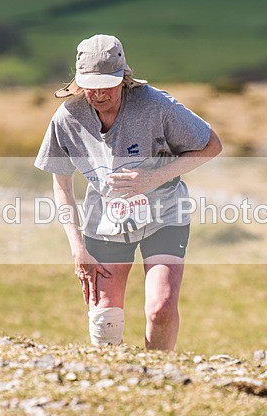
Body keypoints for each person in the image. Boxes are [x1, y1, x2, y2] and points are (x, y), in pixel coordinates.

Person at [34, 34, 222, 350]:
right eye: (90, 84)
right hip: (105, 223)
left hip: (164, 215)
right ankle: (114, 382)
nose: (98, 93)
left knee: (160, 308)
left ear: (124, 76)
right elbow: (62, 186)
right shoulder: (67, 118)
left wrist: (155, 177)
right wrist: (77, 249)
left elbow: (211, 145)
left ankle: (160, 376)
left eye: (107, 83)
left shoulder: (157, 106)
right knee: (104, 321)